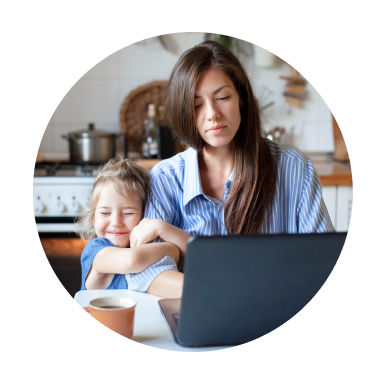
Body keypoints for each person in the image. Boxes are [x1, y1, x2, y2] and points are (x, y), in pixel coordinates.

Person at [129, 40, 335, 279]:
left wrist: (220, 285)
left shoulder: (294, 168)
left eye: (223, 97)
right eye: (197, 105)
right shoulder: (165, 177)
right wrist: (221, 290)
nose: (213, 115)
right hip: (194, 313)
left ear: (242, 99)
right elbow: (146, 273)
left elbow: (323, 264)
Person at [77, 158, 184, 298]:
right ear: (93, 217)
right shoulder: (95, 250)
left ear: (143, 215)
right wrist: (173, 249)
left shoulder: (146, 248)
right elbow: (132, 260)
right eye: (105, 213)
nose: (116, 222)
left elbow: (193, 253)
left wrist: (160, 227)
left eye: (128, 213)